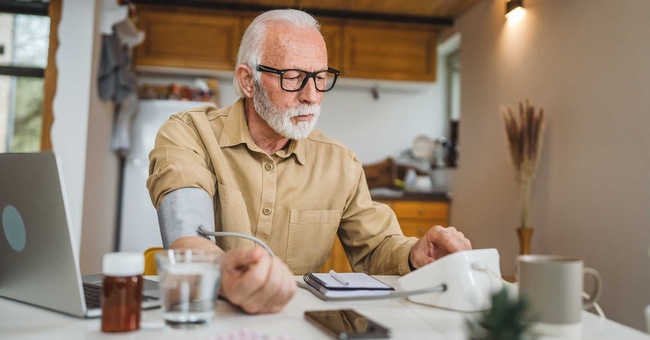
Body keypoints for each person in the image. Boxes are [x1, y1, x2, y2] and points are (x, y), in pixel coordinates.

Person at [146, 9, 472, 315]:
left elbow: (376, 249)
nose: (312, 96)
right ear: (248, 80)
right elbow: (187, 240)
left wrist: (414, 256)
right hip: (206, 317)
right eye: (293, 77)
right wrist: (225, 271)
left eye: (320, 77)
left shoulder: (339, 163)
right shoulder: (189, 134)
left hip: (297, 324)